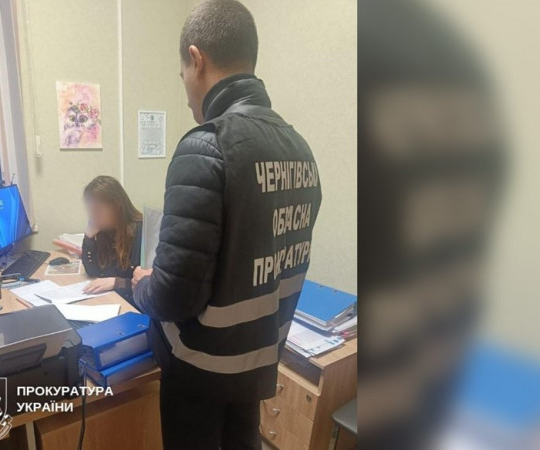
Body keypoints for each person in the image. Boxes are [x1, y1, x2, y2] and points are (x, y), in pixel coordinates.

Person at [131, 1, 323, 449]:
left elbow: (173, 296)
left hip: (198, 373)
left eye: (182, 74)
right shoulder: (300, 150)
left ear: (196, 60)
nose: (185, 92)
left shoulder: (205, 147)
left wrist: (141, 285)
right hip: (253, 367)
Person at [80, 176, 143, 299]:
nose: (93, 217)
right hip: (111, 298)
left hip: (132, 303)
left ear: (116, 206)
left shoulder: (140, 232)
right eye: (91, 212)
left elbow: (149, 286)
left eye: (97, 211)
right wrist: (89, 237)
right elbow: (92, 271)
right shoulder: (105, 231)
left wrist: (117, 282)